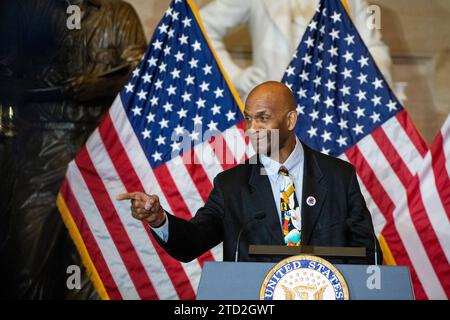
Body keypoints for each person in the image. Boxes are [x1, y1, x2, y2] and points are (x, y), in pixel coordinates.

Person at [117, 81, 382, 264]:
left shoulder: (338, 176)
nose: (251, 128)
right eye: (248, 118)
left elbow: (367, 253)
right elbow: (191, 243)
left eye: (262, 118)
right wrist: (159, 218)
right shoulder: (231, 185)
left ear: (290, 120)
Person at [199, 0, 393, 98]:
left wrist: (364, 87)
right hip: (274, 104)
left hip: (332, 106)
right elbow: (202, 25)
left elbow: (373, 48)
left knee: (328, 173)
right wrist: (234, 76)